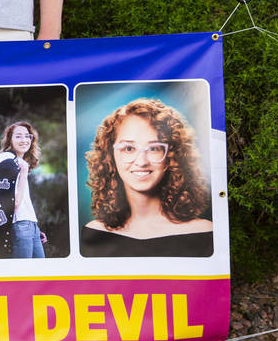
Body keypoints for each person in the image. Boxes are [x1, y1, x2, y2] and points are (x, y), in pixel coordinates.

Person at [81, 98, 213, 257]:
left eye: (154, 148)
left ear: (171, 156)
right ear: (110, 155)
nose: (142, 162)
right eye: (129, 148)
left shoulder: (203, 232)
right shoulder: (94, 233)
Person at [0, 121, 45, 258]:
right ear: (10, 140)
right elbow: (12, 203)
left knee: (40, 275)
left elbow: (23, 200)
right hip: (19, 225)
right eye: (18, 136)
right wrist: (23, 172)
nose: (24, 140)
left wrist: (34, 226)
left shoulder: (17, 162)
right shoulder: (6, 160)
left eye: (27, 136)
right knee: (25, 276)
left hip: (30, 225)